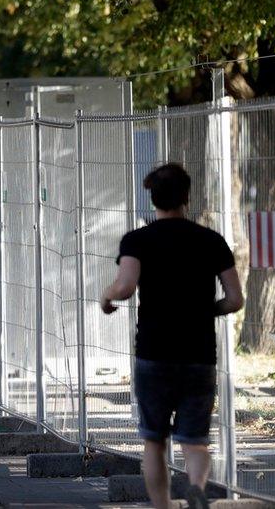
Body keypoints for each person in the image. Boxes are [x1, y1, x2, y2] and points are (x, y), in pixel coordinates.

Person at [100, 163, 243, 509]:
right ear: (187, 197)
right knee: (194, 441)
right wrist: (206, 310)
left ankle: (162, 506)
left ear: (153, 199)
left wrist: (106, 297)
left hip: (154, 352)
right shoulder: (211, 240)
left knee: (154, 441)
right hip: (198, 354)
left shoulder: (138, 240)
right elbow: (235, 299)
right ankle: (195, 485)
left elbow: (126, 286)